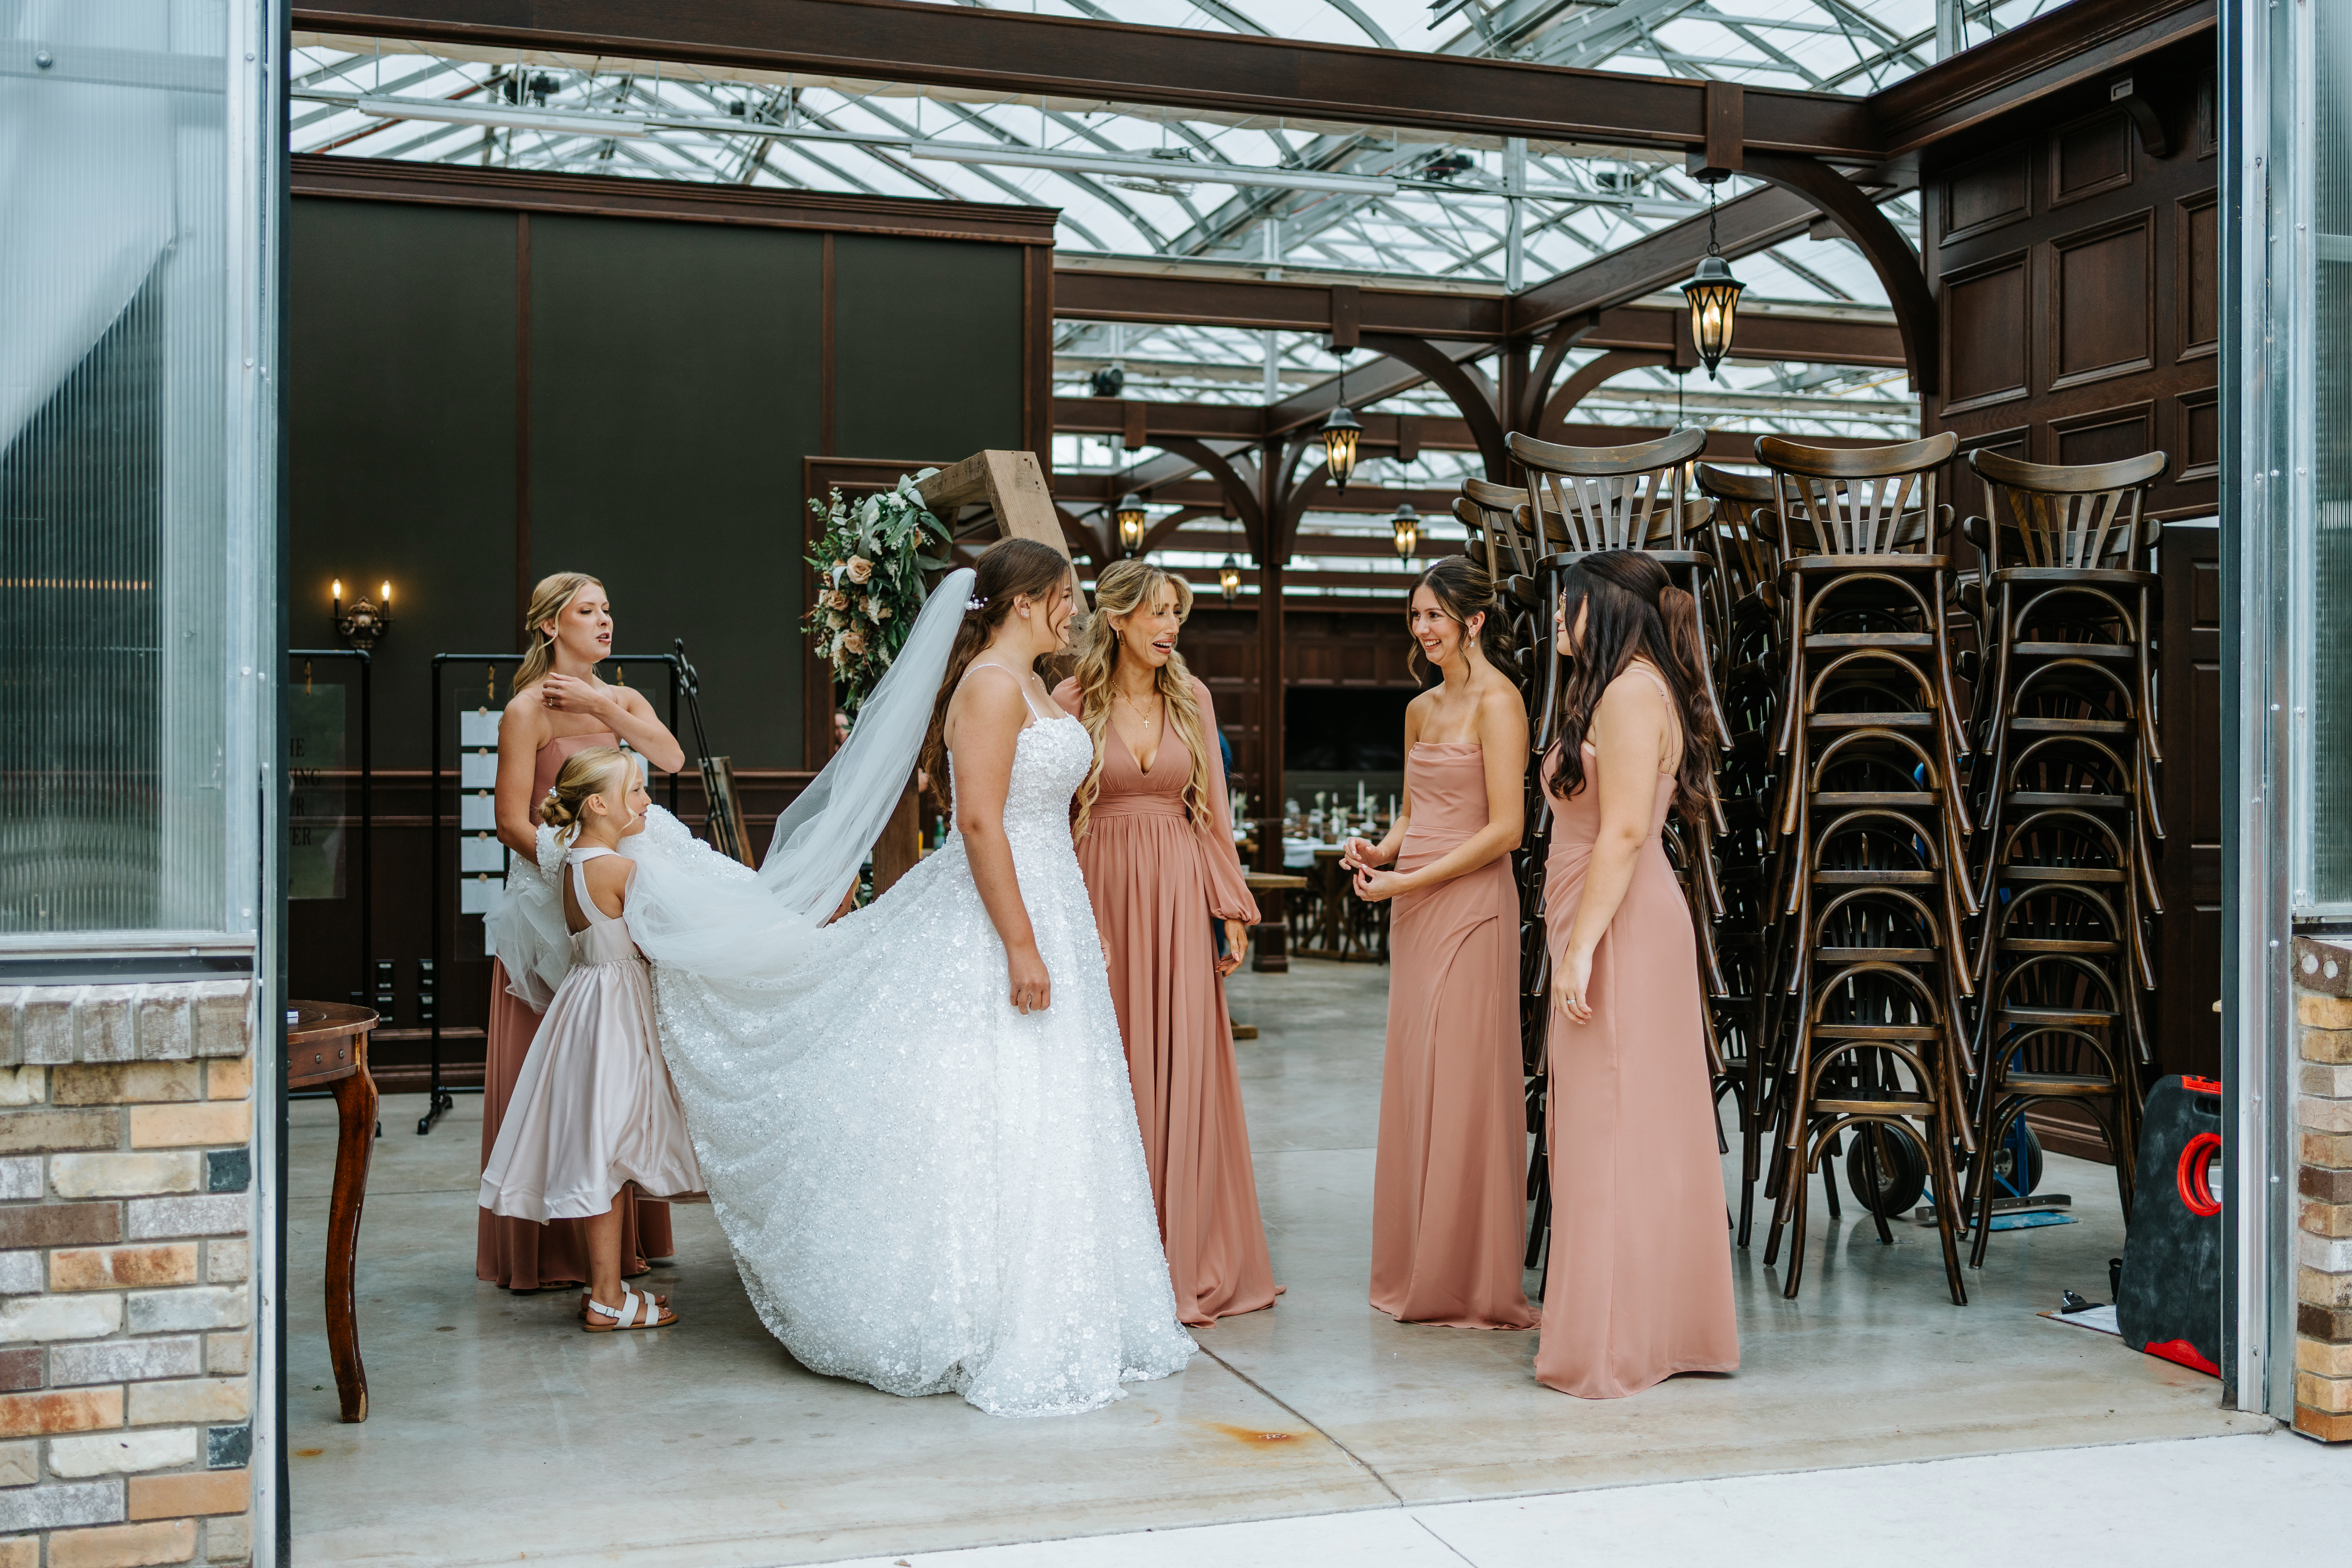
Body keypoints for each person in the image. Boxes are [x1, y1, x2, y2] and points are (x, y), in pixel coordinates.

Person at [616, 539, 1196, 1418]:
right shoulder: (991, 687)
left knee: (1049, 1100)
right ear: (1025, 601)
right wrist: (1022, 943)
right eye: (1066, 596)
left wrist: (1070, 928)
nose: (1075, 611)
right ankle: (979, 1310)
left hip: (1051, 899)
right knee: (994, 1098)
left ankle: (1062, 1294)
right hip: (1000, 913)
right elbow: (980, 822)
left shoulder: (1035, 685)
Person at [1535, 549, 1738, 1398]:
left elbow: (1621, 832)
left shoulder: (1627, 693)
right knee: (1628, 1129)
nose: (1557, 617)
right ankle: (1654, 1326)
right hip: (1617, 913)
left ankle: (1613, 1340)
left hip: (1616, 922)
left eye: (1570, 603)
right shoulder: (1641, 687)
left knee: (1609, 1130)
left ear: (1609, 608)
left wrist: (1582, 947)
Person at [1052, 560, 1276, 1327]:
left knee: (1182, 1059)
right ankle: (1112, 1254)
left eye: (1177, 611)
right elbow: (1047, 818)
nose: (1170, 625)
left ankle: (1184, 1250)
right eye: (1155, 611)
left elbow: (1212, 812)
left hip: (1178, 895)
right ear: (1117, 619)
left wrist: (1231, 906)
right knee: (1111, 1063)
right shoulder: (1072, 701)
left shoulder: (1193, 697)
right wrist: (1062, 916)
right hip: (1100, 893)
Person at [1343, 558, 1537, 1331]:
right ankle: (1419, 1260)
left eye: (1435, 616)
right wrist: (1381, 851)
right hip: (1415, 904)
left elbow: (1507, 828)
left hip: (1471, 903)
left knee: (1464, 1077)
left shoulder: (1501, 701)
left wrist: (1411, 879)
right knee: (1421, 1076)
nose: (1423, 629)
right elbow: (1413, 810)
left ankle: (1467, 1275)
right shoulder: (1420, 709)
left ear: (1473, 622)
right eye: (1416, 616)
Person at [482, 573, 686, 1294]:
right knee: (558, 1071)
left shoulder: (621, 698)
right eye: (587, 611)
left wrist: (602, 705)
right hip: (559, 902)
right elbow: (510, 820)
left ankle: (624, 1243)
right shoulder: (526, 710)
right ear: (550, 625)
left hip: (628, 904)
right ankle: (551, 1251)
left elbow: (671, 760)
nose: (605, 621)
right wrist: (577, 872)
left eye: (608, 610)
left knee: (619, 1070)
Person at [479, 747, 705, 1330]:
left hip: (585, 1003)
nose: (648, 802)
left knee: (603, 1142)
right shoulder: (621, 871)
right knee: (609, 1147)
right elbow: (668, 940)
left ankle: (605, 1288)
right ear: (600, 805)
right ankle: (606, 1296)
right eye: (637, 791)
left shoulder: (572, 862)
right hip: (617, 1013)